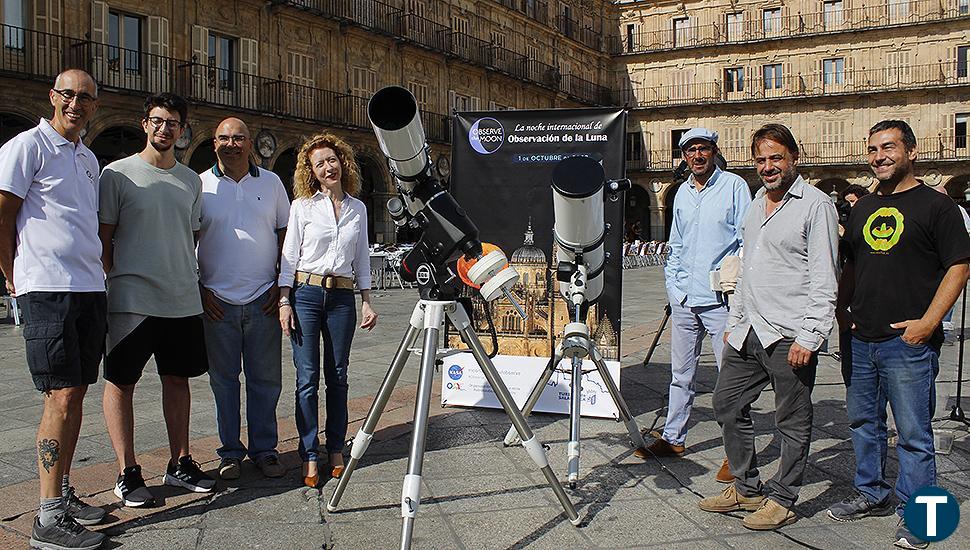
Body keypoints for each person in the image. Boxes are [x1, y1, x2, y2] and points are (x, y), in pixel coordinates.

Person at [826, 120, 970, 549]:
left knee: (913, 434)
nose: (878, 156)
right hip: (861, 337)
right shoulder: (864, 208)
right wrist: (840, 309)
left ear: (910, 150)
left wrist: (929, 322)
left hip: (908, 342)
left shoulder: (936, 207)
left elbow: (960, 265)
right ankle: (871, 492)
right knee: (863, 423)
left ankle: (920, 515)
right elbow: (851, 264)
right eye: (872, 149)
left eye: (888, 147)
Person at [698, 124, 838, 531]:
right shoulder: (757, 202)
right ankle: (746, 486)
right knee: (726, 404)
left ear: (794, 156)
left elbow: (825, 276)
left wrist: (811, 335)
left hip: (790, 334)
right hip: (749, 330)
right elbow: (747, 268)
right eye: (761, 159)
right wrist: (736, 319)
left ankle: (784, 497)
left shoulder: (815, 206)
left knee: (790, 420)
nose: (768, 166)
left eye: (776, 157)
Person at [0, 69, 107, 550]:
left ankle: (61, 494)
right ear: (52, 97)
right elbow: (2, 214)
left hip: (88, 289)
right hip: (46, 289)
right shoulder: (27, 146)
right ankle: (46, 519)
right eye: (68, 94)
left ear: (93, 106)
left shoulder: (88, 158)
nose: (76, 103)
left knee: (77, 393)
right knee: (60, 397)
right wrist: (14, 280)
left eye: (85, 97)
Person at [99, 93, 215, 508]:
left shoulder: (191, 180)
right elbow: (104, 238)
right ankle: (127, 471)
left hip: (181, 297)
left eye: (173, 123)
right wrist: (119, 278)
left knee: (178, 380)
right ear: (145, 124)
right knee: (121, 382)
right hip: (131, 298)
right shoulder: (116, 174)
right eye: (158, 120)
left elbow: (192, 235)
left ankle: (180, 462)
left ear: (182, 130)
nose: (165, 129)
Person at [645, 128, 751, 485]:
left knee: (730, 378)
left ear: (714, 152)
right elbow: (675, 241)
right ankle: (674, 439)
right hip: (685, 298)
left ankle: (735, 455)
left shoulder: (734, 186)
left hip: (720, 299)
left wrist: (733, 284)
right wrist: (672, 287)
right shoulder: (682, 194)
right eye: (690, 151)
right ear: (684, 156)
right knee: (680, 374)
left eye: (703, 149)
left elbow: (745, 240)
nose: (697, 156)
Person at [278, 133, 378, 487]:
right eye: (319, 163)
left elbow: (362, 257)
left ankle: (335, 447)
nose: (327, 167)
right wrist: (284, 300)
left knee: (338, 376)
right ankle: (308, 452)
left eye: (331, 160)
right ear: (312, 172)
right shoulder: (302, 207)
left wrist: (367, 299)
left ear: (342, 163)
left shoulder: (358, 208)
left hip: (342, 298)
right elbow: (289, 255)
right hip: (305, 294)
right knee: (307, 380)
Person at [198, 118, 290, 480]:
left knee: (265, 380)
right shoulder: (200, 185)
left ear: (250, 144)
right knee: (223, 381)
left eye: (238, 138)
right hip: (216, 301)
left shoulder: (271, 183)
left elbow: (286, 234)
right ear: (213, 143)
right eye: (223, 138)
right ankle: (230, 453)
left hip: (262, 298)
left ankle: (265, 450)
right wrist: (200, 289)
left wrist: (280, 286)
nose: (231, 144)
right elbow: (188, 238)